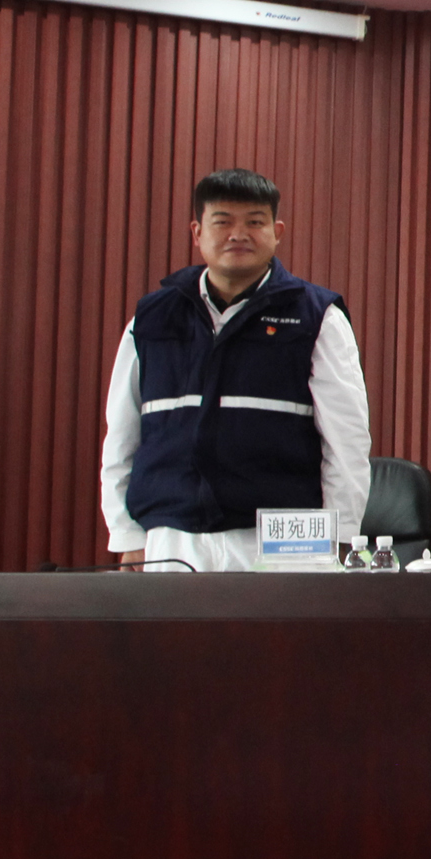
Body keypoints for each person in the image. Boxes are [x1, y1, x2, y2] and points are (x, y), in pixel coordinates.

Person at [98, 168, 369, 571]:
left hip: (286, 536)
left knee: (283, 619)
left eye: (255, 222)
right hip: (173, 533)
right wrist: (126, 535)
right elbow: (122, 437)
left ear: (277, 232)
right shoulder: (152, 319)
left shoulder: (317, 316)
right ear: (197, 232)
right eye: (222, 222)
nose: (238, 235)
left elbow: (346, 440)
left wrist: (342, 538)